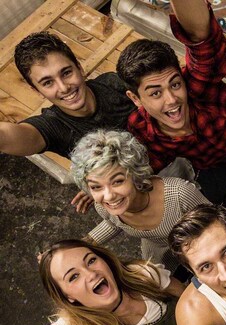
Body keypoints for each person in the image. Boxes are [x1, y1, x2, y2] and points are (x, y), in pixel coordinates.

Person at [117, 0, 226, 230]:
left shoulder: (199, 85)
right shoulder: (142, 130)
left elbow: (202, 40)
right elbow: (142, 168)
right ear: (136, 98)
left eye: (175, 84)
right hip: (208, 169)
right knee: (222, 206)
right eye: (155, 93)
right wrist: (106, 182)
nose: (172, 99)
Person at [0, 240, 197, 325]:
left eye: (91, 261)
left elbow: (191, 297)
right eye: (73, 277)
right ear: (67, 296)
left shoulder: (141, 273)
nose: (90, 274)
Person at [1, 32, 136, 213]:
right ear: (37, 91)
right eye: (47, 83)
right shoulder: (54, 126)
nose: (64, 87)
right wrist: (101, 184)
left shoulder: (113, 84)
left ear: (79, 68)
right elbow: (11, 136)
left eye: (66, 73)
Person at [70, 130, 211, 280]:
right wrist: (81, 244)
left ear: (135, 175)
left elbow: (217, 225)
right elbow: (114, 223)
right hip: (156, 249)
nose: (109, 196)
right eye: (96, 187)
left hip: (198, 243)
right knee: (157, 281)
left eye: (117, 181)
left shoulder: (180, 194)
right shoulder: (103, 206)